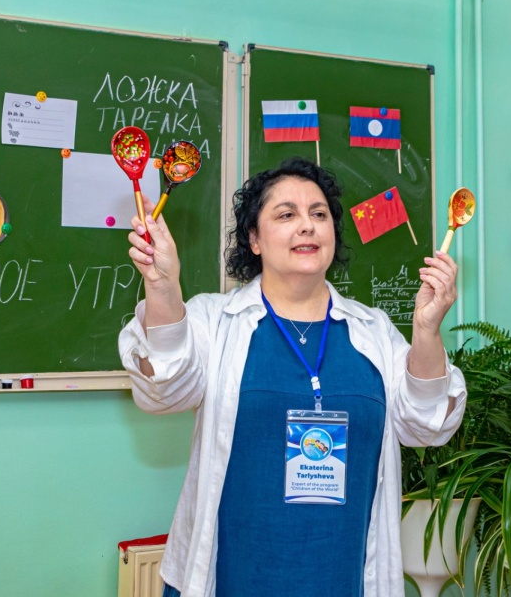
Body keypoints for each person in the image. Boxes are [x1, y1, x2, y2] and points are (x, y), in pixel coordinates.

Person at [118, 157, 467, 597]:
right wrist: (164, 286)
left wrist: (426, 331)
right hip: (231, 579)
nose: (307, 226)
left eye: (319, 214)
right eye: (286, 215)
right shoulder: (215, 320)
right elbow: (164, 389)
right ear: (254, 239)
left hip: (342, 578)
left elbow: (426, 424)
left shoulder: (373, 331)